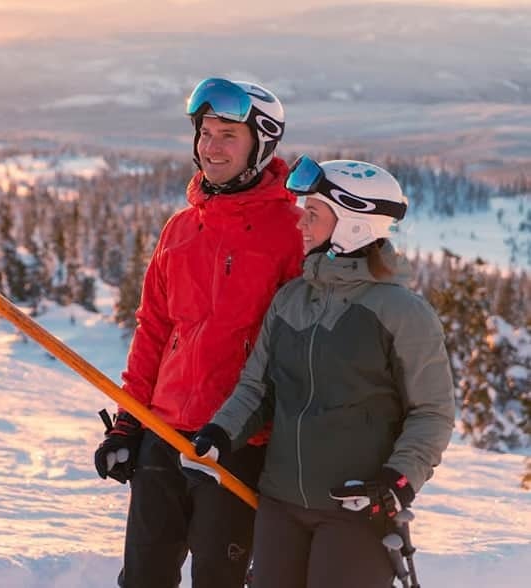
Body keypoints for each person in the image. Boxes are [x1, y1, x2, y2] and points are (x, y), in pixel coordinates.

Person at [191, 156, 456, 588]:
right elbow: (258, 388)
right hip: (280, 504)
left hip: (357, 509)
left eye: (312, 214)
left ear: (353, 225)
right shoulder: (291, 299)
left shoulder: (402, 313)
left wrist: (398, 481)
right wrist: (219, 434)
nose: (301, 224)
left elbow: (432, 412)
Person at [93, 77, 304, 587]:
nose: (211, 147)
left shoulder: (292, 233)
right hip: (163, 434)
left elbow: (300, 352)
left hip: (237, 443)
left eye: (228, 135)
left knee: (219, 579)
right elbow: (154, 330)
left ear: (261, 144)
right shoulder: (181, 229)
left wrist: (278, 444)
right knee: (143, 578)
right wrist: (129, 424)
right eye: (205, 133)